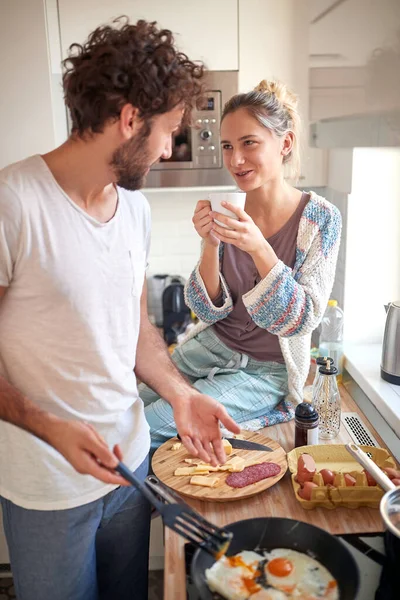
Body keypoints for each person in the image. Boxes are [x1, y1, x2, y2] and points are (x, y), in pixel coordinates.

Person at [0, 18, 239, 600]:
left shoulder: (135, 210)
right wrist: (48, 427)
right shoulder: (13, 204)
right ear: (130, 118)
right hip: (49, 487)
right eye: (169, 131)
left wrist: (181, 396)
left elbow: (135, 331)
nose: (168, 147)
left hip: (130, 473)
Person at [142, 79, 342, 450]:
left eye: (249, 143)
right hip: (208, 349)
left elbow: (302, 318)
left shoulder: (321, 220)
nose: (235, 160)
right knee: (126, 406)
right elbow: (204, 309)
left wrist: (259, 248)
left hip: (264, 373)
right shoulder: (230, 207)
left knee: (142, 427)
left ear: (285, 143)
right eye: (228, 146)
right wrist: (209, 243)